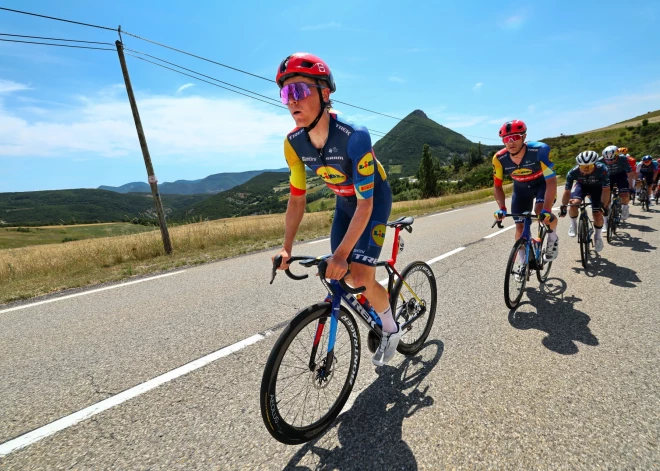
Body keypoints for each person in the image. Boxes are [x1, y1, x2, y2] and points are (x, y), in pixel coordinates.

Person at [272, 52, 398, 366]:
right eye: (286, 94)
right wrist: (286, 248)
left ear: (324, 94)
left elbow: (366, 203)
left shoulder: (354, 136)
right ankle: (371, 305)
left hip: (373, 201)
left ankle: (391, 328)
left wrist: (343, 254)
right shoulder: (293, 143)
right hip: (345, 205)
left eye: (299, 91)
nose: (292, 101)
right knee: (336, 275)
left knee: (358, 274)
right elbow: (297, 200)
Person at [492, 120, 559, 261]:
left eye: (515, 137)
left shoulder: (540, 150)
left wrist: (547, 209)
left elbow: (551, 181)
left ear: (524, 137)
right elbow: (497, 186)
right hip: (521, 190)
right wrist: (502, 207)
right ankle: (523, 262)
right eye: (506, 139)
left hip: (542, 185)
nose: (510, 142)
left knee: (541, 212)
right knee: (519, 228)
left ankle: (552, 238)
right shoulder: (499, 158)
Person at [560, 151, 610, 252]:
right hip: (581, 186)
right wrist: (564, 206)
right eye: (583, 167)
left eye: (589, 166)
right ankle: (573, 225)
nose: (586, 169)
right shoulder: (572, 172)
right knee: (573, 205)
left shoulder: (603, 169)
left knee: (597, 214)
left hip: (597, 188)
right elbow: (567, 191)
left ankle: (598, 237)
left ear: (595, 164)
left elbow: (606, 190)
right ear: (579, 165)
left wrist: (603, 206)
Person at [599, 145, 633, 232]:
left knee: (624, 194)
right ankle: (605, 223)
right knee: (605, 202)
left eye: (612, 159)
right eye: (607, 160)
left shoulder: (623, 158)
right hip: (607, 177)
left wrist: (631, 187)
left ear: (617, 156)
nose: (610, 161)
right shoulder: (599, 160)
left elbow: (629, 173)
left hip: (620, 175)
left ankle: (625, 207)